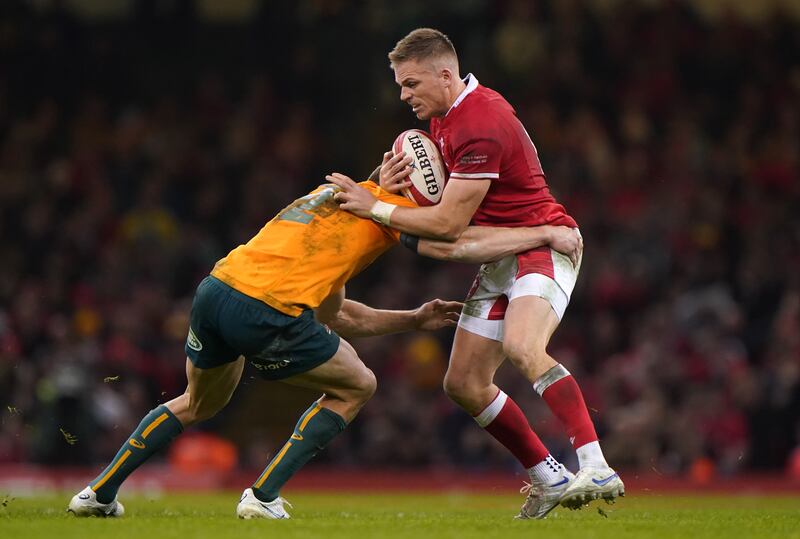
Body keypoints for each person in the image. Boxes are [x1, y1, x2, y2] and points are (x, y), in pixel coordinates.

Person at [68, 167, 582, 519]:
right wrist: (541, 234)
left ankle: (98, 493)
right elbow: (459, 242)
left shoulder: (328, 194)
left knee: (196, 402)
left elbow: (340, 314)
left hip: (217, 290)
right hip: (266, 309)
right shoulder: (388, 218)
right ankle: (263, 495)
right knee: (358, 384)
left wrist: (414, 319)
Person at [329, 28, 624, 519]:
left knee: (522, 347)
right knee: (463, 382)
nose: (403, 96)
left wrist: (375, 207)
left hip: (542, 244)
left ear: (445, 76)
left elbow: (446, 227)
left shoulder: (480, 122)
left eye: (411, 83)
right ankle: (549, 476)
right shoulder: (448, 115)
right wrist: (386, 187)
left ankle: (595, 464)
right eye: (400, 85)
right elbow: (446, 225)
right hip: (500, 252)